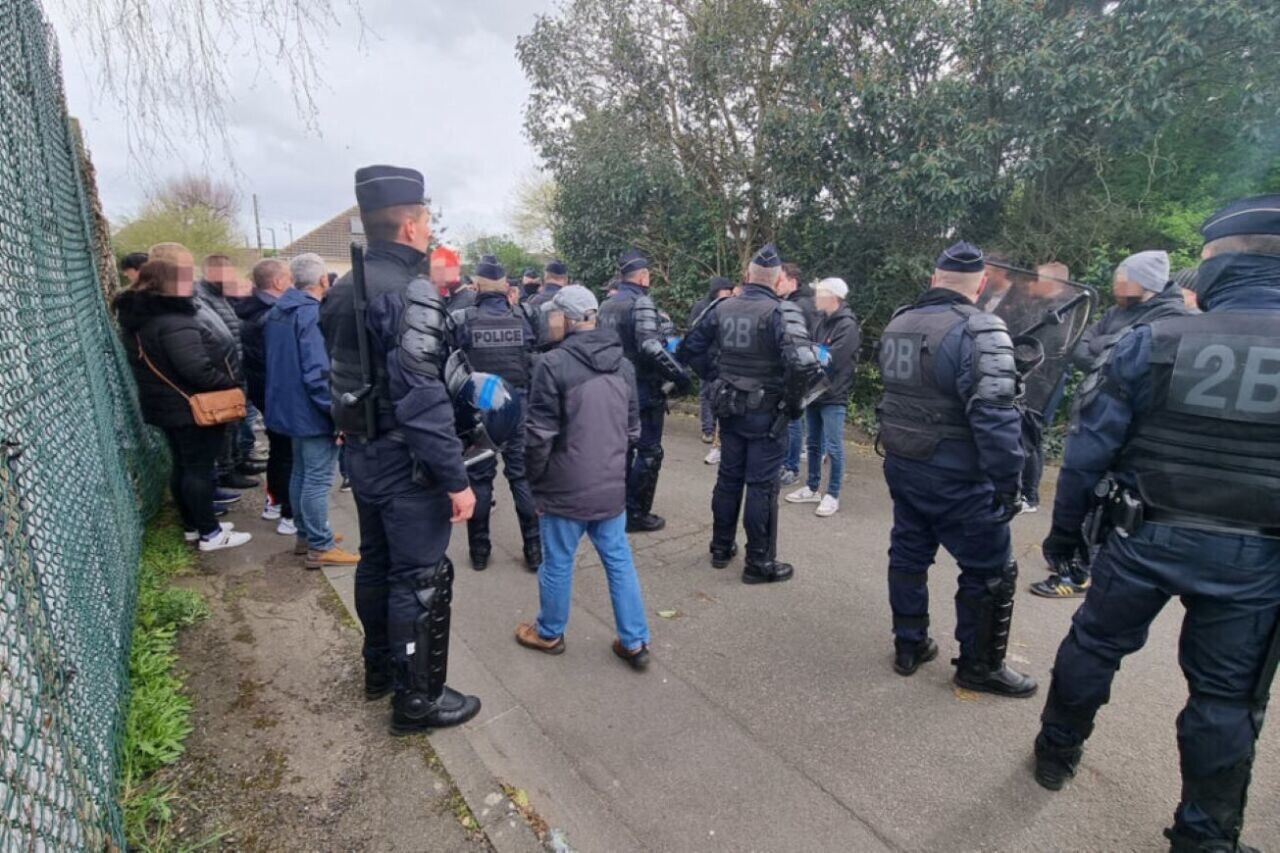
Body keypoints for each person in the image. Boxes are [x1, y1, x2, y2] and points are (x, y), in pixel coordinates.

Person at [1031, 196, 1280, 851]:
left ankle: (1056, 752)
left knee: (1093, 646)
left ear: (1220, 268)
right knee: (1227, 701)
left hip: (1142, 537)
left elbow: (1088, 449)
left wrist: (1065, 537)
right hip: (1256, 561)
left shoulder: (1155, 339)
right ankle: (1203, 837)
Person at [320, 164, 480, 733]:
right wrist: (456, 479)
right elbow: (422, 398)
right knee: (420, 579)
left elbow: (341, 375)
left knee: (379, 565)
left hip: (363, 452)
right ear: (411, 226)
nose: (429, 226)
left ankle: (381, 670)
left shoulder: (342, 290)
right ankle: (418, 701)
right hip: (406, 461)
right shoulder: (410, 292)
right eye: (428, 218)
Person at [876, 241, 1035, 696]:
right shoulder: (981, 330)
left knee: (908, 554)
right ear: (980, 284)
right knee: (989, 571)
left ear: (933, 279)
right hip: (958, 476)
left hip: (904, 463)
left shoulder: (899, 322)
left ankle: (909, 645)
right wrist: (1010, 484)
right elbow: (996, 415)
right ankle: (978, 667)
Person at [1030, 249, 1192, 598]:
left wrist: (1107, 350)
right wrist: (1110, 349)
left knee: (1105, 501)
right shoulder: (1120, 312)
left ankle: (1080, 572)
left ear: (1144, 282)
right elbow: (1081, 347)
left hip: (1125, 428)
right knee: (1084, 495)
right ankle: (1077, 561)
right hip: (1096, 414)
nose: (1116, 282)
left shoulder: (1169, 319)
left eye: (1123, 275)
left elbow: (1110, 354)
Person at [516, 286, 651, 669]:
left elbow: (539, 436)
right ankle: (635, 641)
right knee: (619, 559)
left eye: (554, 315)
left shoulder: (552, 364)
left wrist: (534, 482)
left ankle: (548, 632)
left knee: (557, 561)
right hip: (610, 487)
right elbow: (633, 431)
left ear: (566, 318)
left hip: (563, 489)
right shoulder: (623, 365)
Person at [678, 244, 823, 584]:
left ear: (747, 276)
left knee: (728, 478)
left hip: (729, 407)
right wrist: (791, 402)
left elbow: (688, 349)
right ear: (776, 280)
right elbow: (804, 364)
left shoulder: (721, 307)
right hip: (765, 411)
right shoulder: (780, 311)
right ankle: (759, 563)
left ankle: (720, 547)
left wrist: (715, 377)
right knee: (760, 486)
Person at [114, 243, 250, 551]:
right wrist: (229, 384)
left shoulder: (140, 318)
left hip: (167, 406)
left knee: (184, 466)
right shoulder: (173, 320)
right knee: (198, 469)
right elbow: (196, 369)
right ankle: (210, 533)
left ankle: (193, 524)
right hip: (191, 407)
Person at [264, 254, 358, 569]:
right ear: (322, 280)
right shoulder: (310, 315)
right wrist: (336, 412)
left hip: (287, 407)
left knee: (301, 472)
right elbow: (318, 371)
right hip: (311, 410)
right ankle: (320, 544)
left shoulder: (279, 311)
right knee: (317, 479)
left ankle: (306, 534)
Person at [449, 254, 542, 571]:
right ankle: (534, 549)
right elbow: (536, 358)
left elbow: (452, 368)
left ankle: (480, 552)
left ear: (476, 286)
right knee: (522, 477)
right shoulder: (526, 315)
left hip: (480, 412)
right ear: (506, 287)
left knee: (479, 479)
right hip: (518, 407)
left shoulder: (462, 320)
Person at [597, 249, 689, 532]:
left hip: (611, 386)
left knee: (620, 450)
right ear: (643, 275)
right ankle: (636, 514)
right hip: (641, 390)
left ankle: (614, 508)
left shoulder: (606, 306)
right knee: (649, 451)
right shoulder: (641, 303)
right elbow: (650, 347)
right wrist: (680, 377)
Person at [785, 277, 859, 517]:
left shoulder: (847, 325)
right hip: (813, 391)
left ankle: (832, 494)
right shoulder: (819, 320)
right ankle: (812, 487)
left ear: (833, 297)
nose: (815, 298)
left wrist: (813, 351)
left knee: (834, 448)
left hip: (833, 394)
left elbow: (832, 359)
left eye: (820, 294)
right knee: (813, 444)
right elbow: (810, 349)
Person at [238, 258, 296, 535]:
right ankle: (290, 514)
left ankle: (274, 501)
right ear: (278, 282)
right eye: (289, 278)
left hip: (264, 390)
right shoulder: (273, 315)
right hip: (279, 392)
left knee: (279, 449)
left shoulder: (252, 309)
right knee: (289, 453)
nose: (292, 283)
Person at [778, 261, 817, 486]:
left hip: (797, 370)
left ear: (792, 280)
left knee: (793, 420)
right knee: (796, 420)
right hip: (803, 368)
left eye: (780, 279)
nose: (776, 284)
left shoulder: (799, 305)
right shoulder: (803, 301)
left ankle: (790, 468)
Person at [687, 276, 734, 463]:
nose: (730, 294)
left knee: (720, 397)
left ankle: (718, 435)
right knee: (706, 395)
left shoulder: (727, 307)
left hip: (722, 358)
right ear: (717, 291)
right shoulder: (702, 307)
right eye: (727, 290)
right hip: (707, 358)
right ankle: (708, 430)